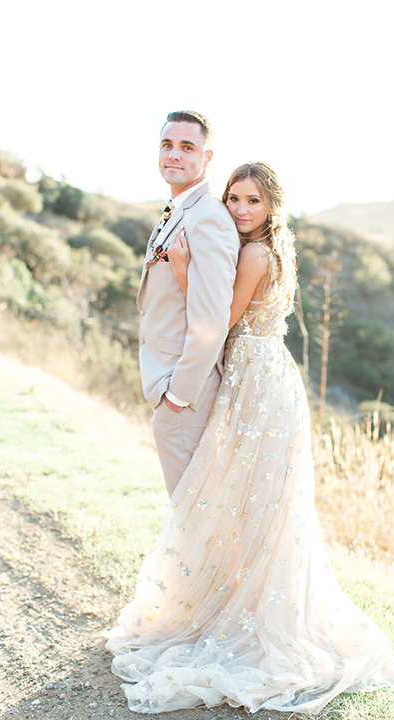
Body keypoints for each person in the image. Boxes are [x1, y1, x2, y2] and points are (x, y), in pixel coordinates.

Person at [105, 162, 394, 714]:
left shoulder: (256, 253)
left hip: (256, 382)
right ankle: (236, 605)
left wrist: (187, 268)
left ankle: (242, 617)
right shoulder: (275, 249)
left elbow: (219, 319)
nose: (240, 210)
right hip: (268, 377)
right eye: (234, 199)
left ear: (272, 208)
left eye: (253, 202)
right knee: (256, 507)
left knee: (244, 506)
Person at [137, 110, 240, 496]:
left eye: (187, 147)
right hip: (166, 380)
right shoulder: (178, 209)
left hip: (185, 393)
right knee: (190, 514)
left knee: (191, 514)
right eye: (167, 145)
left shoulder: (208, 217)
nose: (174, 155)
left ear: (206, 158)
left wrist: (177, 397)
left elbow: (212, 320)